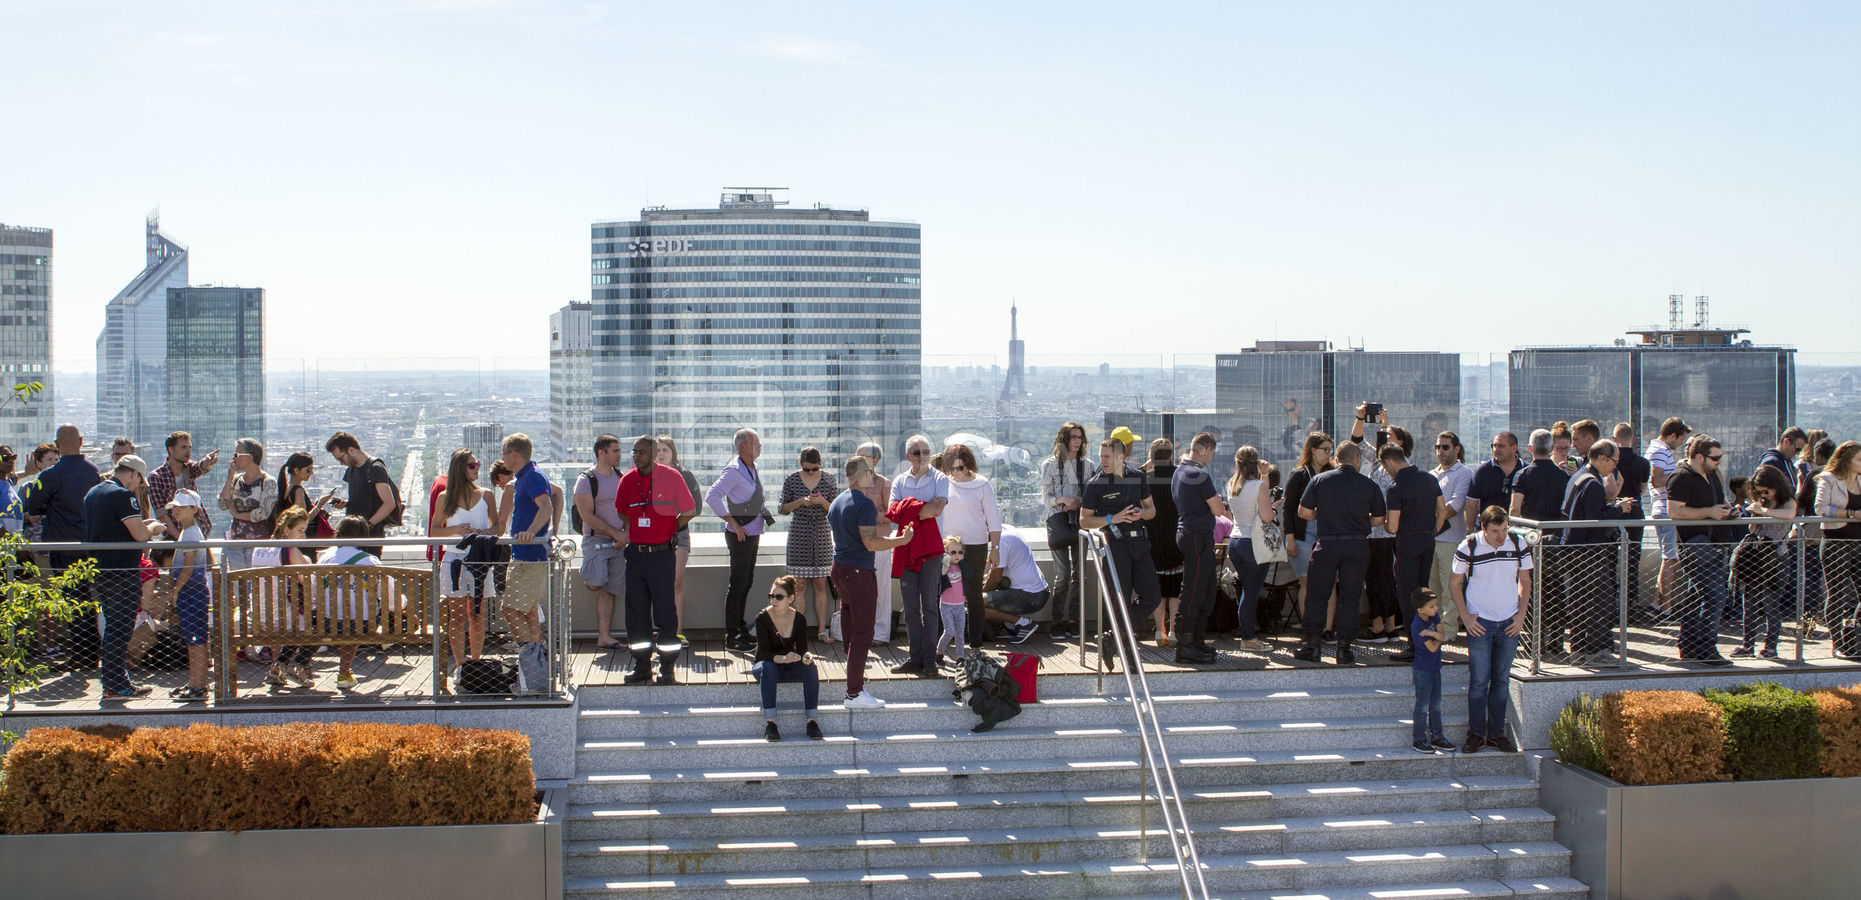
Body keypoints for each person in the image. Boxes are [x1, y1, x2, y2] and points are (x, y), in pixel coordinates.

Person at [828, 454, 914, 708]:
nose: (873, 477)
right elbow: (870, 542)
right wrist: (901, 540)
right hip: (858, 571)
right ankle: (854, 693)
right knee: (864, 631)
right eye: (871, 473)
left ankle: (852, 668)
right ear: (863, 475)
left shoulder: (836, 502)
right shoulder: (864, 504)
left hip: (839, 568)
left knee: (848, 616)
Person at [1294, 441, 1387, 665]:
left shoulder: (1320, 480)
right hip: (1357, 545)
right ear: (1358, 460)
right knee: (1350, 597)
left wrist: (1324, 515)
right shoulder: (1369, 484)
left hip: (1327, 544)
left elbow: (1303, 512)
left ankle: (1312, 646)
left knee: (1317, 595)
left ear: (1337, 458)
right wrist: (1358, 520)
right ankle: (1344, 649)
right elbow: (1379, 519)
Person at [82, 454, 166, 697]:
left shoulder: (94, 493)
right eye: (138, 481)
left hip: (101, 571)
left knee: (112, 628)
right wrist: (153, 527)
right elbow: (140, 535)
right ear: (133, 474)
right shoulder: (122, 495)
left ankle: (114, 681)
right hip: (122, 571)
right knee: (120, 630)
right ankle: (116, 684)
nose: (136, 486)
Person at [1452, 506, 1532, 753]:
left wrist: (1520, 616)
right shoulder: (1469, 546)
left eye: (1505, 529)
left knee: (1501, 680)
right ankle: (1475, 734)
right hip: (1480, 623)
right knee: (1478, 681)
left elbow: (1525, 581)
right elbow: (1454, 583)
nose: (1501, 536)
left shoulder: (1518, 543)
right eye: (1496, 530)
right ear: (1483, 528)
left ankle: (1496, 735)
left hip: (1509, 622)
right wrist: (1465, 617)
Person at [23, 424, 103, 669]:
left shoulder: (50, 475)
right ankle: (91, 654)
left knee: (72, 602)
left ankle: (79, 656)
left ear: (57, 444)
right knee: (88, 601)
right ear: (81, 441)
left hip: (62, 546)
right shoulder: (92, 471)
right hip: (89, 545)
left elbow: (32, 507)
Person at [618, 436, 695, 685]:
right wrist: (640, 532)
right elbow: (622, 511)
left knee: (665, 614)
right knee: (636, 615)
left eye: (642, 452)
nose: (637, 456)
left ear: (652, 455)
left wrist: (669, 529)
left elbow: (690, 510)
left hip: (662, 555)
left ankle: (667, 669)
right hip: (636, 557)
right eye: (635, 452)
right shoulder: (627, 480)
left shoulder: (672, 477)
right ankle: (642, 667)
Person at [1083, 437, 1163, 664]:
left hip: (1140, 544)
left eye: (1107, 456)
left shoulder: (1138, 477)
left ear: (1121, 456)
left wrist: (1142, 514)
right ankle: (1125, 649)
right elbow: (1084, 521)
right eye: (1101, 456)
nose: (1103, 461)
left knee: (1152, 597)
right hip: (1115, 547)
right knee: (1121, 599)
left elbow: (1152, 510)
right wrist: (1112, 518)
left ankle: (1113, 635)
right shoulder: (1095, 484)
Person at [1562, 440, 1635, 667]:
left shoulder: (1579, 476)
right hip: (1589, 551)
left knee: (1580, 600)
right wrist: (1619, 509)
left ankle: (1579, 649)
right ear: (1603, 458)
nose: (1614, 467)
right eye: (1614, 462)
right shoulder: (1592, 483)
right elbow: (1598, 521)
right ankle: (1595, 651)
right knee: (1598, 600)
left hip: (1574, 548)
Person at [1669, 434, 1738, 666]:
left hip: (1713, 543)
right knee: (1715, 595)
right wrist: (1709, 512)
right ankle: (1706, 647)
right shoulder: (1681, 477)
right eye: (1715, 457)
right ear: (1699, 457)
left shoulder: (1711, 476)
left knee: (1697, 595)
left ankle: (1689, 645)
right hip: (1694, 544)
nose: (1719, 461)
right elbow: (1675, 511)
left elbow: (1718, 504)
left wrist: (1727, 512)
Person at [433, 448, 499, 679]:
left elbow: (497, 526)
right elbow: (433, 530)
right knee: (458, 615)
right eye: (472, 465)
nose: (477, 468)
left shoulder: (487, 494)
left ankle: (476, 664)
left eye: (477, 463)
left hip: (480, 559)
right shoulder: (445, 498)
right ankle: (462, 666)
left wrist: (483, 532)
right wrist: (455, 530)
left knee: (477, 614)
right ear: (460, 469)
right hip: (454, 559)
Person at [705, 429, 770, 650]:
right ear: (742, 446)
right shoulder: (733, 471)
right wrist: (733, 523)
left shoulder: (751, 467)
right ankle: (732, 636)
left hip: (752, 534)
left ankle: (740, 628)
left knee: (746, 583)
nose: (760, 445)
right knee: (738, 585)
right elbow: (712, 496)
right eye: (756, 442)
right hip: (740, 536)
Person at [890, 434, 949, 672]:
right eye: (917, 453)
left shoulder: (941, 478)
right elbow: (893, 512)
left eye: (926, 452)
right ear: (908, 456)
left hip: (932, 551)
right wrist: (923, 508)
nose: (923, 456)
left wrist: (909, 508)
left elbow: (937, 510)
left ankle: (930, 659)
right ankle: (915, 658)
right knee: (911, 607)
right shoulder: (899, 481)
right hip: (906, 548)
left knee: (930, 607)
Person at [1382, 442, 1445, 661]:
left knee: (1409, 594)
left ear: (1389, 461)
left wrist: (1384, 525)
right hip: (1428, 540)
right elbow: (1442, 510)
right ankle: (1430, 639)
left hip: (1407, 542)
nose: (1386, 471)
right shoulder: (1429, 478)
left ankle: (1414, 644)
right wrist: (1432, 532)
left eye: (1385, 467)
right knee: (1425, 591)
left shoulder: (1396, 487)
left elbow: (1393, 526)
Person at [1346, 407, 1404, 644]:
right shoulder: (1379, 464)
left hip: (1388, 531)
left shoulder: (1401, 467)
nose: (1385, 441)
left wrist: (1383, 427)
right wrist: (1361, 417)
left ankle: (1382, 625)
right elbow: (1357, 441)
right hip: (1374, 532)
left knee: (1383, 579)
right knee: (1378, 578)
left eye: (1391, 438)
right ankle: (1385, 624)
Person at [1512, 429, 1572, 657]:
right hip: (1555, 541)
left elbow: (1515, 508)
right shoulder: (1563, 476)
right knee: (1555, 590)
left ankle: (1532, 640)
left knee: (1529, 589)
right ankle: (1556, 641)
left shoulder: (1523, 475)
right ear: (1550, 448)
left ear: (1530, 449)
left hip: (1530, 540)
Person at [500, 433, 553, 687]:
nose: (502, 459)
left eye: (504, 454)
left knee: (510, 609)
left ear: (514, 454)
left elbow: (546, 506)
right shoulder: (526, 477)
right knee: (529, 610)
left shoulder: (531, 476)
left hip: (529, 556)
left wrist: (532, 532)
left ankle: (532, 660)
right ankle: (536, 671)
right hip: (525, 554)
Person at [1170, 433, 1225, 664]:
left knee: (1204, 588)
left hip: (1188, 532)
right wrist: (1218, 500)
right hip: (1197, 535)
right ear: (1207, 450)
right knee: (1195, 590)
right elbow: (1218, 509)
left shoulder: (1179, 471)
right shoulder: (1200, 475)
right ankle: (1186, 645)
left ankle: (1196, 641)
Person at [939, 444, 1002, 646]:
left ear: (968, 464)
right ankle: (945, 639)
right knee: (945, 591)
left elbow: (993, 519)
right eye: (952, 468)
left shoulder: (982, 485)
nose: (955, 473)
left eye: (959, 468)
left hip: (975, 545)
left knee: (973, 594)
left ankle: (975, 642)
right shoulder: (943, 482)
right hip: (948, 546)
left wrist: (996, 549)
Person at [1040, 422, 1096, 641]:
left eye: (1079, 437)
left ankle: (1075, 620)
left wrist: (1079, 501)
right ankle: (1057, 621)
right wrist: (1063, 500)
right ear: (1063, 439)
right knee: (1062, 575)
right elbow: (1046, 498)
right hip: (1059, 522)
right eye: (1073, 437)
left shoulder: (1088, 465)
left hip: (1081, 521)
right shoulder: (1050, 465)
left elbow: (1093, 494)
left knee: (1079, 575)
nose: (1076, 441)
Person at [779, 446, 839, 643]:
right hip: (799, 533)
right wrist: (800, 502)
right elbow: (782, 508)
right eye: (807, 469)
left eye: (814, 469)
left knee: (821, 584)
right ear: (801, 466)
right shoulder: (791, 479)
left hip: (821, 532)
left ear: (820, 465)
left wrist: (822, 501)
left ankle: (822, 630)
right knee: (800, 585)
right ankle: (800, 632)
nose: (811, 472)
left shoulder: (829, 479)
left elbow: (836, 509)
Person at [1736, 464, 1797, 659]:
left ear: (1776, 486)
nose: (1764, 494)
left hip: (1776, 557)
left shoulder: (1786, 501)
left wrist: (1764, 510)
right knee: (1750, 603)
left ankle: (1770, 647)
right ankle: (1747, 645)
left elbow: (1789, 515)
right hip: (1756, 556)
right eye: (1759, 491)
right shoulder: (1761, 503)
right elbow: (1753, 530)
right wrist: (1755, 513)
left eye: (1766, 491)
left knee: (1771, 604)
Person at [754, 574, 823, 742]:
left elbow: (802, 650)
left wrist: (806, 657)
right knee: (768, 668)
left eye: (779, 597)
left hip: (788, 665)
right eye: (771, 596)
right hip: (765, 665)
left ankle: (812, 721)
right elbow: (763, 653)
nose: (773, 600)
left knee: (811, 668)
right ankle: (771, 723)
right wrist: (783, 659)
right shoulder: (762, 618)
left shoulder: (799, 618)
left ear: (791, 598)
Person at [575, 435, 628, 650]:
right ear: (601, 453)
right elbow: (586, 515)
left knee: (611, 589)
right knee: (596, 583)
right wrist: (614, 532)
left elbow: (629, 510)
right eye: (615, 451)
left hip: (619, 543)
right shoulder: (586, 480)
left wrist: (625, 534)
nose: (619, 455)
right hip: (596, 540)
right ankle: (588, 570)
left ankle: (604, 636)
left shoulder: (620, 477)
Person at [317, 515, 381, 689]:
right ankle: (344, 672)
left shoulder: (324, 557)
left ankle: (305, 667)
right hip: (361, 623)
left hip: (327, 621)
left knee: (346, 619)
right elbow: (383, 593)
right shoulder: (369, 560)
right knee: (356, 617)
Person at [256, 506, 316, 689]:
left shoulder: (260, 548)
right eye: (300, 531)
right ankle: (297, 665)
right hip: (282, 617)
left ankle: (278, 666)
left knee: (302, 623)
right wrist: (308, 562)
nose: (302, 536)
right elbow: (310, 583)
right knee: (322, 624)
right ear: (285, 530)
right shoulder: (288, 550)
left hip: (260, 617)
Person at [1282, 432, 1335, 640]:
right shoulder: (1299, 475)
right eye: (1325, 450)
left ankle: (1328, 629)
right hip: (1303, 534)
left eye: (1331, 450)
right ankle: (1310, 627)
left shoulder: (1333, 473)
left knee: (1330, 582)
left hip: (1327, 533)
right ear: (1313, 450)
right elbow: (1288, 508)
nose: (1328, 454)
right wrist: (1290, 537)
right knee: (1307, 582)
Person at [1220, 445, 1271, 653]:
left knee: (1245, 591)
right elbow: (1267, 516)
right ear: (1256, 463)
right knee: (1251, 592)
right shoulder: (1259, 485)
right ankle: (1248, 637)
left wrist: (1264, 477)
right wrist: (1274, 510)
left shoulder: (1231, 484)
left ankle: (1247, 635)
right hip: (1254, 542)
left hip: (1236, 541)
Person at [164, 489, 213, 702]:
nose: (176, 510)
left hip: (191, 593)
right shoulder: (189, 531)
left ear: (194, 509)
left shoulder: (191, 533)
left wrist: (175, 592)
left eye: (181, 507)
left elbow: (188, 567)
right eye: (175, 507)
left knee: (196, 641)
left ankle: (198, 686)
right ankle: (195, 683)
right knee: (194, 640)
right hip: (191, 593)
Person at [653, 437, 703, 632]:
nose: (661, 454)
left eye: (665, 449)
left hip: (678, 535)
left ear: (673, 453)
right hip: (652, 537)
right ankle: (657, 631)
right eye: (657, 450)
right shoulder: (647, 476)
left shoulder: (685, 476)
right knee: (655, 584)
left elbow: (696, 507)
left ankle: (676, 632)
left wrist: (672, 525)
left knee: (676, 582)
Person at [1816, 441, 1861, 648]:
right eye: (1859, 460)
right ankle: (1838, 643)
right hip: (1836, 542)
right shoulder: (1829, 479)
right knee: (1837, 594)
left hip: (1858, 542)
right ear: (1846, 461)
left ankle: (1854, 635)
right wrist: (1851, 514)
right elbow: (1821, 508)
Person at [1428, 432, 1472, 643]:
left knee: (1449, 589)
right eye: (1438, 447)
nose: (1440, 451)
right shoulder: (1431, 474)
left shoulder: (1463, 473)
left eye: (1445, 447)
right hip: (1432, 540)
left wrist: (1432, 514)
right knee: (1432, 590)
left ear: (1456, 449)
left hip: (1452, 539)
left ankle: (1448, 632)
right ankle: (1435, 627)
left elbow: (1454, 506)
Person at [324, 431, 398, 554]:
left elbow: (389, 503)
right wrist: (346, 503)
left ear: (351, 450)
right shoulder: (351, 470)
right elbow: (362, 497)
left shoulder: (375, 468)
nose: (341, 463)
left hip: (370, 536)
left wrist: (367, 525)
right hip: (352, 535)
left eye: (341, 458)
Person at [1647, 417, 1692, 612]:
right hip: (1665, 510)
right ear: (1673, 435)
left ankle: (1660, 603)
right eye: (1680, 439)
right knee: (1670, 557)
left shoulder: (1660, 451)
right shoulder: (1659, 451)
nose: (1681, 443)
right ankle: (1665, 607)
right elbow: (1656, 480)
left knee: (1671, 557)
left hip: (1665, 510)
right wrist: (1679, 476)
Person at [854, 442, 895, 647]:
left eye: (862, 456)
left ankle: (880, 633)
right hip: (857, 544)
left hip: (879, 542)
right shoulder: (854, 484)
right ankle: (861, 632)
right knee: (860, 590)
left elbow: (892, 513)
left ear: (874, 460)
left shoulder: (885, 484)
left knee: (881, 589)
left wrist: (869, 516)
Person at [1144, 437, 1185, 646]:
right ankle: (1175, 630)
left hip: (1153, 537)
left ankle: (1160, 631)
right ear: (1170, 456)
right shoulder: (1180, 476)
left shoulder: (1146, 478)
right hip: (1176, 535)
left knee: (1158, 588)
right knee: (1175, 588)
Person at [217, 437, 277, 570]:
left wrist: (236, 514)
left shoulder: (268, 481)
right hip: (235, 542)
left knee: (254, 583)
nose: (234, 459)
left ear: (249, 457)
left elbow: (263, 513)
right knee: (236, 582)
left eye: (236, 455)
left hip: (259, 544)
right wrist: (229, 477)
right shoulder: (236, 479)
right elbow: (222, 504)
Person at [980, 530, 1050, 643]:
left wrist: (980, 595)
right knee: (984, 594)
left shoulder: (1001, 542)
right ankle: (1010, 626)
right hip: (1037, 591)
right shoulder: (1007, 531)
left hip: (1031, 596)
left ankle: (1023, 623)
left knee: (976, 604)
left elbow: (995, 578)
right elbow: (993, 573)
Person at [1611, 423, 1651, 618]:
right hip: (1635, 512)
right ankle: (1630, 604)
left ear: (1614, 439)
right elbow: (1643, 489)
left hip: (1614, 511)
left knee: (1610, 558)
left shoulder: (1612, 462)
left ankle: (1611, 602)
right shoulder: (1643, 463)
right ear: (1633, 440)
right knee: (1632, 559)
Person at [148, 431, 218, 535]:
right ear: (171, 450)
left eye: (189, 447)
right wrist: (178, 539)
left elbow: (199, 466)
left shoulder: (188, 468)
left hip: (199, 531)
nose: (188, 451)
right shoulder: (157, 476)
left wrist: (207, 462)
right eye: (183, 447)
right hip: (175, 535)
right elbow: (161, 513)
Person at [1408, 588, 1452, 754]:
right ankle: (1419, 739)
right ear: (1420, 610)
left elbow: (1443, 635)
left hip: (1435, 668)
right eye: (1432, 606)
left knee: (1436, 705)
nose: (1436, 609)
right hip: (1423, 670)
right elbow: (1433, 647)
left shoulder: (1434, 616)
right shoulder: (1417, 626)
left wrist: (1434, 634)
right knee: (1422, 705)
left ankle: (1438, 737)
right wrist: (1438, 636)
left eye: (1436, 605)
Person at [1466, 432, 1525, 532]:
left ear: (1514, 448)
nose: (1496, 450)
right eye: (1494, 446)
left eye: (1501, 446)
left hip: (1519, 533)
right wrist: (1470, 532)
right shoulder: (1482, 471)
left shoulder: (1525, 471)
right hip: (1488, 534)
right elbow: (1471, 504)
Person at [273, 451, 335, 543]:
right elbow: (303, 520)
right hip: (301, 541)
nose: (311, 473)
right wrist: (319, 504)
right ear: (296, 470)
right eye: (308, 470)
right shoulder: (298, 490)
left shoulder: (286, 488)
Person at [932, 538, 968, 665]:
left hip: (960, 605)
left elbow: (969, 580)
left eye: (960, 552)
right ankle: (939, 652)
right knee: (949, 631)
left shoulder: (962, 567)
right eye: (953, 552)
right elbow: (941, 573)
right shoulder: (944, 567)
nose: (957, 555)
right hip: (946, 605)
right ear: (946, 553)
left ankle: (960, 656)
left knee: (960, 632)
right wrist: (946, 561)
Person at [0, 446, 20, 535]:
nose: (11, 461)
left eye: (12, 457)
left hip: (13, 546)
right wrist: (12, 541)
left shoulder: (9, 482)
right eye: (5, 458)